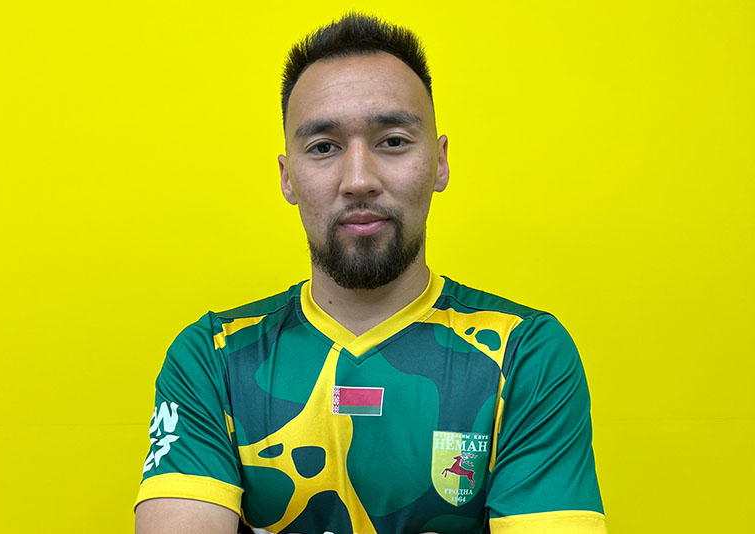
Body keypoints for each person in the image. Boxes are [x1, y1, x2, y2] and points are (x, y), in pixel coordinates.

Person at [134, 12, 607, 534]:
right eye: (324, 147)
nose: (359, 179)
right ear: (288, 178)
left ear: (439, 162)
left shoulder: (524, 352)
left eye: (393, 141)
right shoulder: (214, 356)